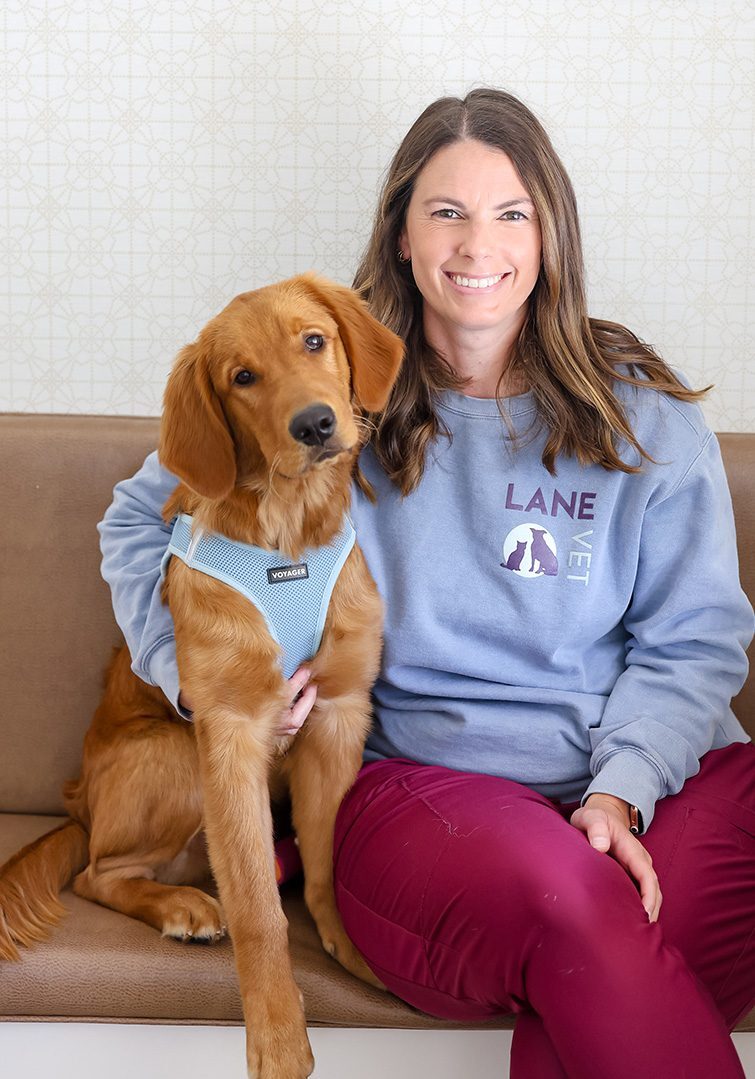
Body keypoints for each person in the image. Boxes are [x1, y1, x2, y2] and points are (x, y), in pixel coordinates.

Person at [98, 88, 754, 1077]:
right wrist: (183, 674)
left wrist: (615, 796)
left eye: (509, 212)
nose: (473, 243)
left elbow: (692, 643)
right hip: (431, 798)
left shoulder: (645, 419)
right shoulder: (322, 397)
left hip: (665, 781)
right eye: (444, 211)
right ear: (402, 234)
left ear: (550, 235)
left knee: (601, 967)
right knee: (574, 906)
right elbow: (134, 521)